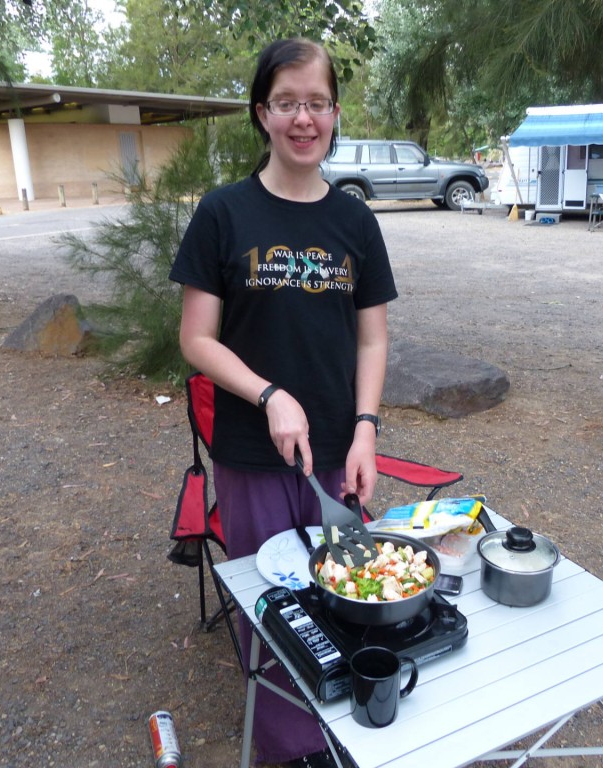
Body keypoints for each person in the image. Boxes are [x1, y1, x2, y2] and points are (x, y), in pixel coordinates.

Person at [169, 38, 397, 768]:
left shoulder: (355, 222)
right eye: (288, 102)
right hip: (253, 452)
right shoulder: (224, 213)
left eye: (319, 103)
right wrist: (268, 394)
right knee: (274, 610)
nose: (305, 118)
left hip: (337, 452)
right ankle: (291, 748)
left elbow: (372, 341)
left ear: (335, 113)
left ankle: (350, 725)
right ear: (263, 113)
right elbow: (196, 339)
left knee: (345, 596)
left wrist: (365, 431)